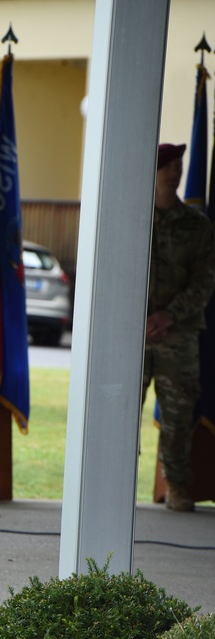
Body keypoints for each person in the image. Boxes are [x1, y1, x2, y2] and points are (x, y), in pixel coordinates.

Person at [144, 142, 215, 512]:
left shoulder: (197, 225)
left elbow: (205, 280)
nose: (176, 171)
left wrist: (168, 316)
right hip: (132, 334)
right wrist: (138, 319)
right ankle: (113, 482)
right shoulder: (132, 215)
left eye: (179, 165)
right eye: (168, 165)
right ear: (153, 172)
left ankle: (176, 485)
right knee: (118, 408)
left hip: (178, 333)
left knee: (178, 414)